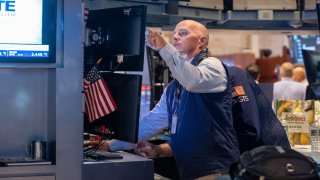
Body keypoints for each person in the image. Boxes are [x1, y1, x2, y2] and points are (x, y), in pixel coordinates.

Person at [87, 20, 240, 179]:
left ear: (202, 41)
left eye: (183, 33)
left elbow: (193, 81)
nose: (175, 37)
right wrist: (110, 145)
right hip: (190, 170)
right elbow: (150, 124)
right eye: (174, 34)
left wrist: (163, 48)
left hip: (215, 169)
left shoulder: (212, 66)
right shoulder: (174, 88)